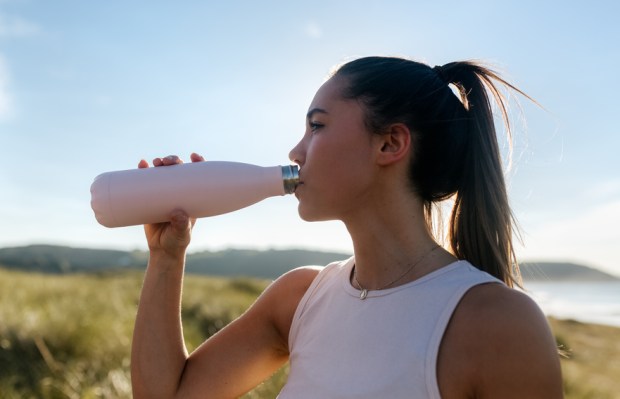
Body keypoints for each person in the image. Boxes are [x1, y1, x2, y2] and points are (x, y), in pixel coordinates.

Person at [131, 56, 564, 398]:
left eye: (317, 125)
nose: (296, 151)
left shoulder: (497, 324)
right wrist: (167, 257)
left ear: (389, 143)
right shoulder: (299, 299)